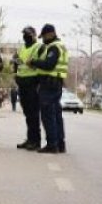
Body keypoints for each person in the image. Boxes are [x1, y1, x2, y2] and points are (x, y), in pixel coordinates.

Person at [28, 24, 68, 153]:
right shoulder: (59, 46)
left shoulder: (54, 47)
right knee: (56, 115)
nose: (43, 39)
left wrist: (34, 62)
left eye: (44, 36)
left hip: (49, 84)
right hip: (56, 83)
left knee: (48, 115)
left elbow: (49, 65)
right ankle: (60, 143)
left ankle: (52, 144)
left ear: (50, 34)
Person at [14, 26, 44, 151]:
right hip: (22, 84)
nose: (25, 36)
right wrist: (15, 72)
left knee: (33, 114)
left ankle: (35, 141)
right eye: (24, 34)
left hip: (33, 84)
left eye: (28, 34)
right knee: (27, 114)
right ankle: (29, 139)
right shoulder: (21, 48)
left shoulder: (39, 47)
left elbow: (41, 63)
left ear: (34, 35)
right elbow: (16, 62)